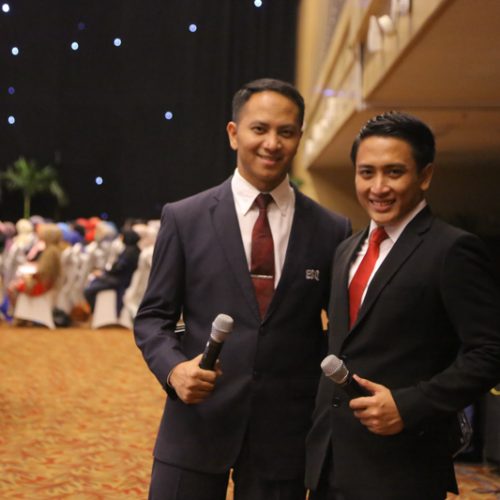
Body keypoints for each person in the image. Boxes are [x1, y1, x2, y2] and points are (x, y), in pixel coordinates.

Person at [134, 78, 351, 500]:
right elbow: (152, 318)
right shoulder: (185, 218)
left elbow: (341, 332)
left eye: (285, 132)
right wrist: (174, 370)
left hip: (285, 434)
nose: (272, 143)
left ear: (299, 138)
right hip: (196, 421)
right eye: (259, 129)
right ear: (234, 134)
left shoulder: (331, 228)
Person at [305, 111, 500, 500]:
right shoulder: (346, 250)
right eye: (367, 173)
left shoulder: (452, 249)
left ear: (425, 176)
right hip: (331, 462)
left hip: (402, 467)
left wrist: (409, 406)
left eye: (394, 172)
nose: (378, 187)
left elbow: (491, 350)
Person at [84, 229, 141, 313]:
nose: (121, 238)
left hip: (119, 280)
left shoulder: (129, 252)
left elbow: (119, 268)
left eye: (122, 236)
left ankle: (93, 312)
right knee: (94, 281)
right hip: (120, 278)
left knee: (88, 290)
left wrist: (104, 273)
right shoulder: (133, 250)